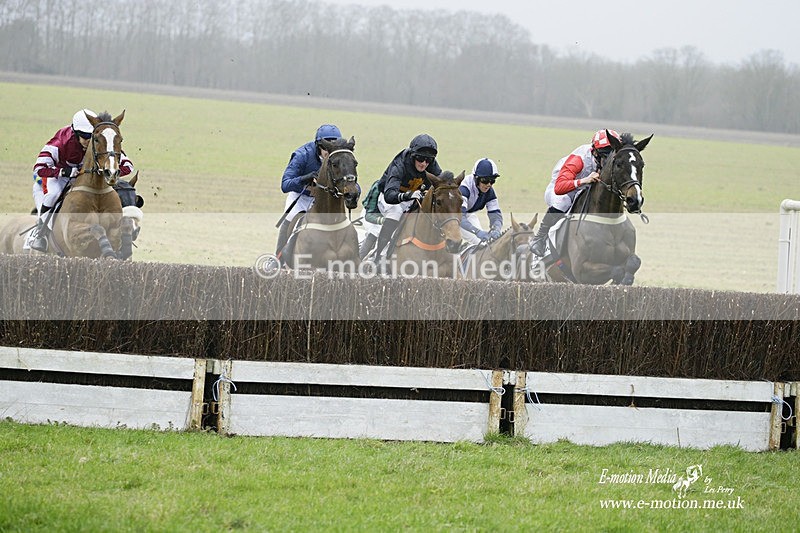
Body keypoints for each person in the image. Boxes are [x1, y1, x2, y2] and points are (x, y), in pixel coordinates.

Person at [30, 109, 135, 252]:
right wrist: (64, 171)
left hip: (88, 176)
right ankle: (40, 233)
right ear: (75, 133)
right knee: (52, 195)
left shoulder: (99, 141)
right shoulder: (60, 143)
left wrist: (108, 172)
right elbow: (38, 168)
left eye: (90, 136)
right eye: (84, 136)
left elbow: (128, 166)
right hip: (59, 177)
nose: (87, 140)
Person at [529, 129, 620, 257]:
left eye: (611, 155)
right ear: (594, 151)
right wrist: (584, 180)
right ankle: (539, 239)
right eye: (604, 155)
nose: (607, 160)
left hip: (585, 189)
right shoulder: (579, 159)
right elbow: (559, 188)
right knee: (564, 201)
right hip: (562, 190)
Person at [372, 133, 442, 261]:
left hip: (411, 199)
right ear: (413, 155)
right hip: (389, 198)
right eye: (420, 159)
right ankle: (378, 257)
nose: (424, 164)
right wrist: (408, 195)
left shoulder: (431, 165)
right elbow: (389, 196)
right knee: (396, 212)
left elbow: (442, 184)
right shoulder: (400, 164)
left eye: (428, 160)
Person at [275, 124, 343, 256]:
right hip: (300, 197)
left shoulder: (339, 159)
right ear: (318, 145)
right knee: (290, 219)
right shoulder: (302, 155)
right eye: (326, 147)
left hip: (323, 201)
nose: (329, 151)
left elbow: (352, 183)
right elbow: (285, 185)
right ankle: (278, 258)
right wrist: (304, 179)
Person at [459, 158, 503, 245]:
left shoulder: (489, 191)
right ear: (476, 178)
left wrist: (496, 228)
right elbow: (460, 217)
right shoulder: (464, 188)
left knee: (483, 244)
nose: (489, 185)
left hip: (468, 215)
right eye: (485, 180)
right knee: (477, 241)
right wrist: (476, 231)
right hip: (451, 217)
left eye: (492, 181)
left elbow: (496, 214)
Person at [358, 179, 384, 259]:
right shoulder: (378, 186)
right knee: (377, 230)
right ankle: (359, 258)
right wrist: (383, 221)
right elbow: (369, 216)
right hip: (370, 216)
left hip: (387, 219)